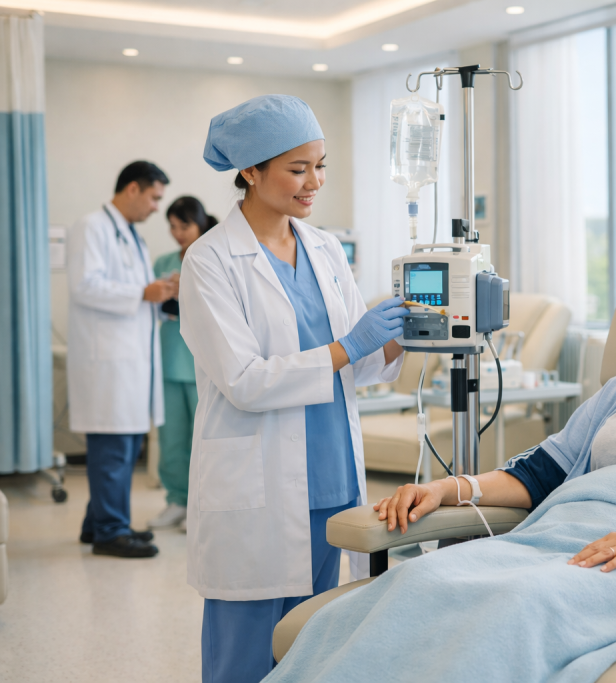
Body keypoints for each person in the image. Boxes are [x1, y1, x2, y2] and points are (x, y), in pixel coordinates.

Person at [264, 235, 616, 683]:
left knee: (519, 604)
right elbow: (544, 471)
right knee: (423, 578)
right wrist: (446, 490)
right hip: (558, 536)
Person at [177, 94, 408, 683]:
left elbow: (356, 365)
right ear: (251, 172)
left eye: (321, 166)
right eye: (298, 168)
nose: (315, 182)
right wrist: (349, 345)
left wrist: (406, 337)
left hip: (332, 478)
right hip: (256, 483)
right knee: (243, 654)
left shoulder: (325, 248)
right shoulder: (209, 260)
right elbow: (245, 381)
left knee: (312, 644)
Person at [67, 161, 174, 558]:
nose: (156, 207)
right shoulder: (92, 227)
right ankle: (110, 532)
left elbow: (137, 295)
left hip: (130, 361)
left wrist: (162, 294)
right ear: (132, 189)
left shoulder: (131, 236)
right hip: (107, 363)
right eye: (154, 197)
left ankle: (98, 523)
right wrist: (143, 293)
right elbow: (84, 286)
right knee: (113, 450)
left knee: (124, 448)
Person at [147, 197, 218, 532]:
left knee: (202, 439)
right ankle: (176, 501)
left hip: (202, 362)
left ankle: (200, 506)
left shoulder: (212, 256)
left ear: (200, 224)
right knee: (171, 438)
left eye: (184, 226)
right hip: (168, 360)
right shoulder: (163, 262)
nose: (177, 233)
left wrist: (187, 292)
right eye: (172, 227)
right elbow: (150, 307)